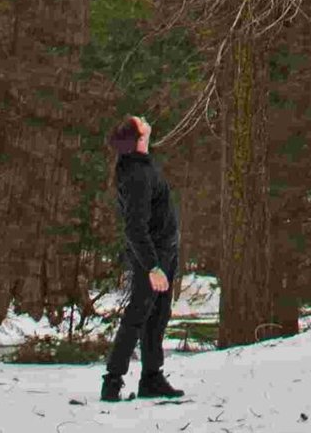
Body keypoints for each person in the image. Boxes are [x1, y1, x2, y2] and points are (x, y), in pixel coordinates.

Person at [100, 116, 183, 404]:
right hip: (153, 256)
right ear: (139, 137)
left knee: (158, 317)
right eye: (141, 121)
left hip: (164, 252)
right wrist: (153, 267)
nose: (147, 119)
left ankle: (151, 378)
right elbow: (135, 227)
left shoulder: (143, 164)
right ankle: (112, 382)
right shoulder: (136, 174)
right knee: (137, 317)